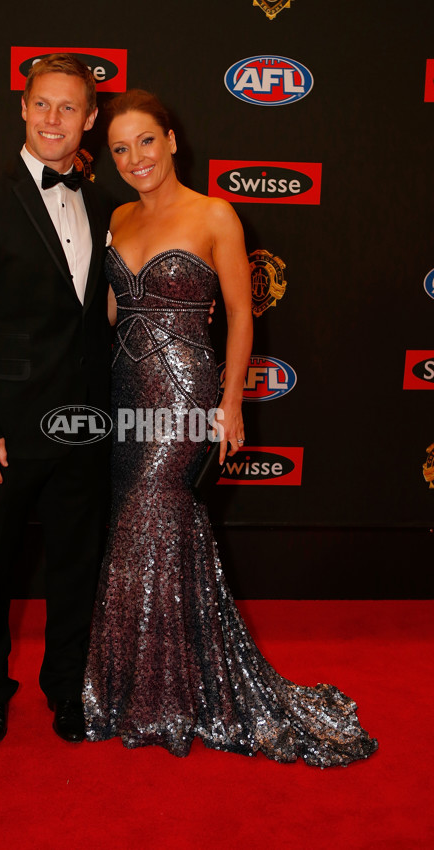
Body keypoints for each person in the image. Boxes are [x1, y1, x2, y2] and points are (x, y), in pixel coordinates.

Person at [83, 90, 378, 765]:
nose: (135, 159)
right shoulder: (118, 216)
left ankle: (169, 696)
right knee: (134, 524)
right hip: (127, 394)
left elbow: (243, 315)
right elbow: (105, 312)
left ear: (172, 140)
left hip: (188, 392)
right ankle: (138, 686)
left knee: (156, 512)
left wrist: (233, 402)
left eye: (146, 142)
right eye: (121, 149)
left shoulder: (214, 212)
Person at [0, 55, 114, 746]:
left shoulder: (107, 205)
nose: (52, 119)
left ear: (90, 118)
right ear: (23, 107)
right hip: (5, 433)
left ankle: (66, 689)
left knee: (77, 566)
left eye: (68, 108)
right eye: (42, 104)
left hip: (85, 428)